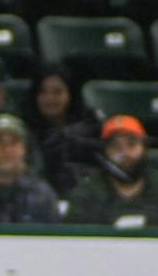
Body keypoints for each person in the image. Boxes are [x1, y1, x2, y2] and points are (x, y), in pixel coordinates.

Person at [65, 116, 158, 228]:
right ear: (105, 152)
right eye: (116, 146)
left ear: (144, 148)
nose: (125, 153)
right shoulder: (87, 193)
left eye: (132, 144)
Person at [24, 65, 103, 195]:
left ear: (70, 93)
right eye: (43, 92)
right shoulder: (25, 128)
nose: (50, 98)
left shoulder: (90, 126)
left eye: (57, 92)